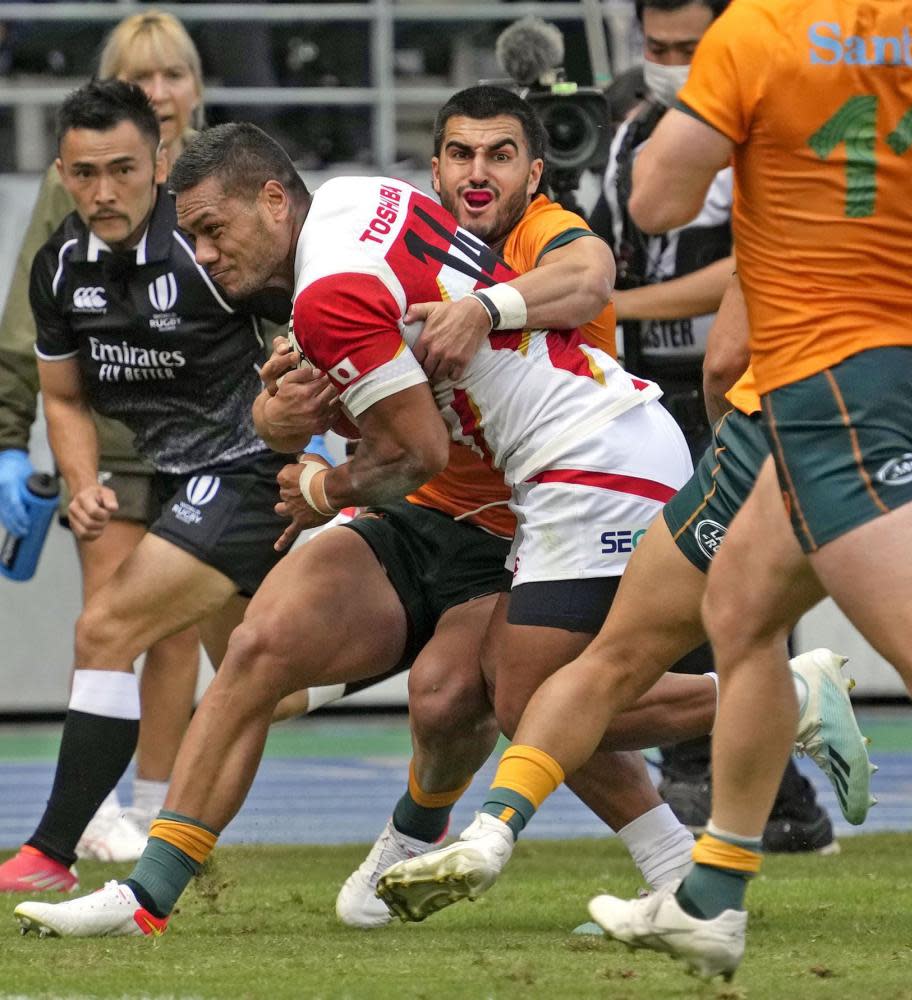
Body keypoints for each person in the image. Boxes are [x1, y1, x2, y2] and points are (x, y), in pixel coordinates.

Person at [9, 113, 708, 939]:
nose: (201, 254)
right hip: (463, 493)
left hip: (569, 466)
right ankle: (147, 895)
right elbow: (377, 382)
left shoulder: (361, 274)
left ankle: (767, 700)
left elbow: (418, 439)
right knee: (264, 644)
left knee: (524, 699)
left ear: (274, 200)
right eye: (455, 156)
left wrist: (319, 483)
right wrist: (286, 412)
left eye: (209, 230)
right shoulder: (353, 200)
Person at [586, 0, 912, 980]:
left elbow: (658, 201)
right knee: (740, 608)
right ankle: (712, 896)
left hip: (841, 373)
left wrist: (700, 104)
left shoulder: (761, 31)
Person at [374, 277, 873, 920]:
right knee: (545, 687)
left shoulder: (523, 238)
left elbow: (683, 331)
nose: (479, 172)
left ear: (534, 172)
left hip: (610, 464)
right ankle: (687, 882)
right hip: (571, 475)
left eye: (500, 163)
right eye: (465, 162)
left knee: (562, 689)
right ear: (437, 167)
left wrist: (321, 479)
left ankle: (498, 839)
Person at [0, 80, 291, 895]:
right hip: (159, 474)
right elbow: (63, 396)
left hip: (247, 469)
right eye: (84, 173)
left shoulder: (211, 247)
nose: (103, 191)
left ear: (158, 163)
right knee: (264, 678)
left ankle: (52, 853)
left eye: (122, 169)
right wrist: (83, 481)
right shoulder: (59, 267)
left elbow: (300, 347)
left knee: (105, 628)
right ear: (60, 172)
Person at [601, 0, 836, 853]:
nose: (669, 62)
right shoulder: (633, 133)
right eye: (656, 46)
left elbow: (747, 270)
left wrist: (615, 304)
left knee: (745, 593)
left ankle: (762, 792)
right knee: (690, 596)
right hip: (648, 388)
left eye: (688, 48)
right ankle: (748, 795)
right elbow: (624, 240)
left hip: (753, 382)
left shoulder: (773, 130)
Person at [0, 10, 207, 860]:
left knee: (184, 635)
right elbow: (30, 315)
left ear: (196, 86)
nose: (160, 91)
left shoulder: (223, 170)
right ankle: (97, 807)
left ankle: (155, 805)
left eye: (173, 75)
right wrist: (10, 437)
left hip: (209, 445)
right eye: (142, 76)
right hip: (115, 436)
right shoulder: (79, 183)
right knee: (112, 619)